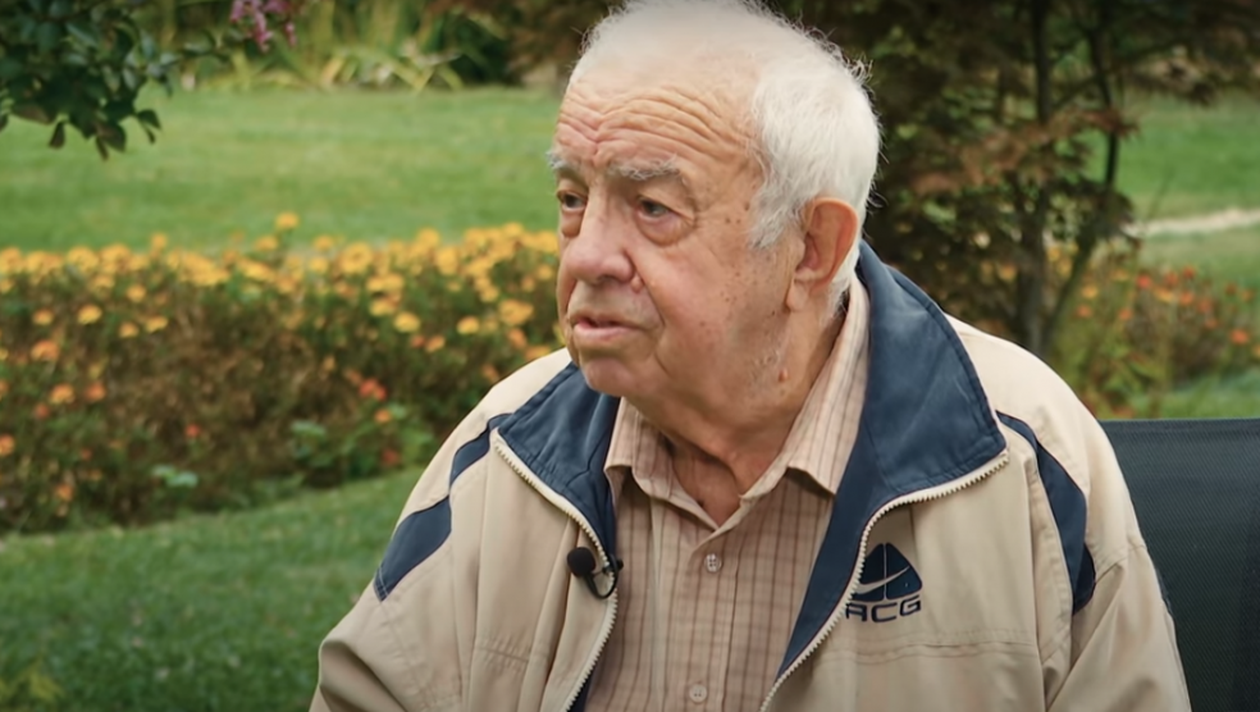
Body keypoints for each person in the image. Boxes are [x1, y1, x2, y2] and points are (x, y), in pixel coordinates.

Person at [309, 0, 1191, 710]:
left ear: (811, 248)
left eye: (653, 208)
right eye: (573, 198)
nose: (587, 255)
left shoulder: (1018, 462)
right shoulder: (507, 455)